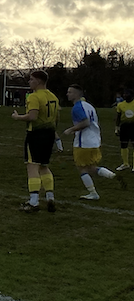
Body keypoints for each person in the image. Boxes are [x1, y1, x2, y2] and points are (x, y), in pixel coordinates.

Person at [63, 84, 126, 200]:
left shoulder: (77, 107)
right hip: (95, 141)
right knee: (91, 167)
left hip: (84, 143)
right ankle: (113, 176)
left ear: (77, 94)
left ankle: (93, 193)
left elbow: (85, 123)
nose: (67, 94)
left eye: (70, 92)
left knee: (82, 168)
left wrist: (71, 130)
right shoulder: (89, 106)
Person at [11, 70, 59, 213]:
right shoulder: (53, 96)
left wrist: (17, 117)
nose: (29, 82)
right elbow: (57, 118)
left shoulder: (34, 97)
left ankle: (34, 202)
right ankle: (50, 197)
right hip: (49, 133)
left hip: (36, 134)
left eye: (31, 79)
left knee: (32, 166)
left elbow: (32, 116)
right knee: (44, 166)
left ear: (38, 81)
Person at [115, 89, 134, 171]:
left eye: (127, 93)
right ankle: (125, 164)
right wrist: (117, 127)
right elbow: (118, 117)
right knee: (123, 144)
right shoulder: (120, 105)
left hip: (133, 126)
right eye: (124, 94)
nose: (125, 95)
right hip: (124, 126)